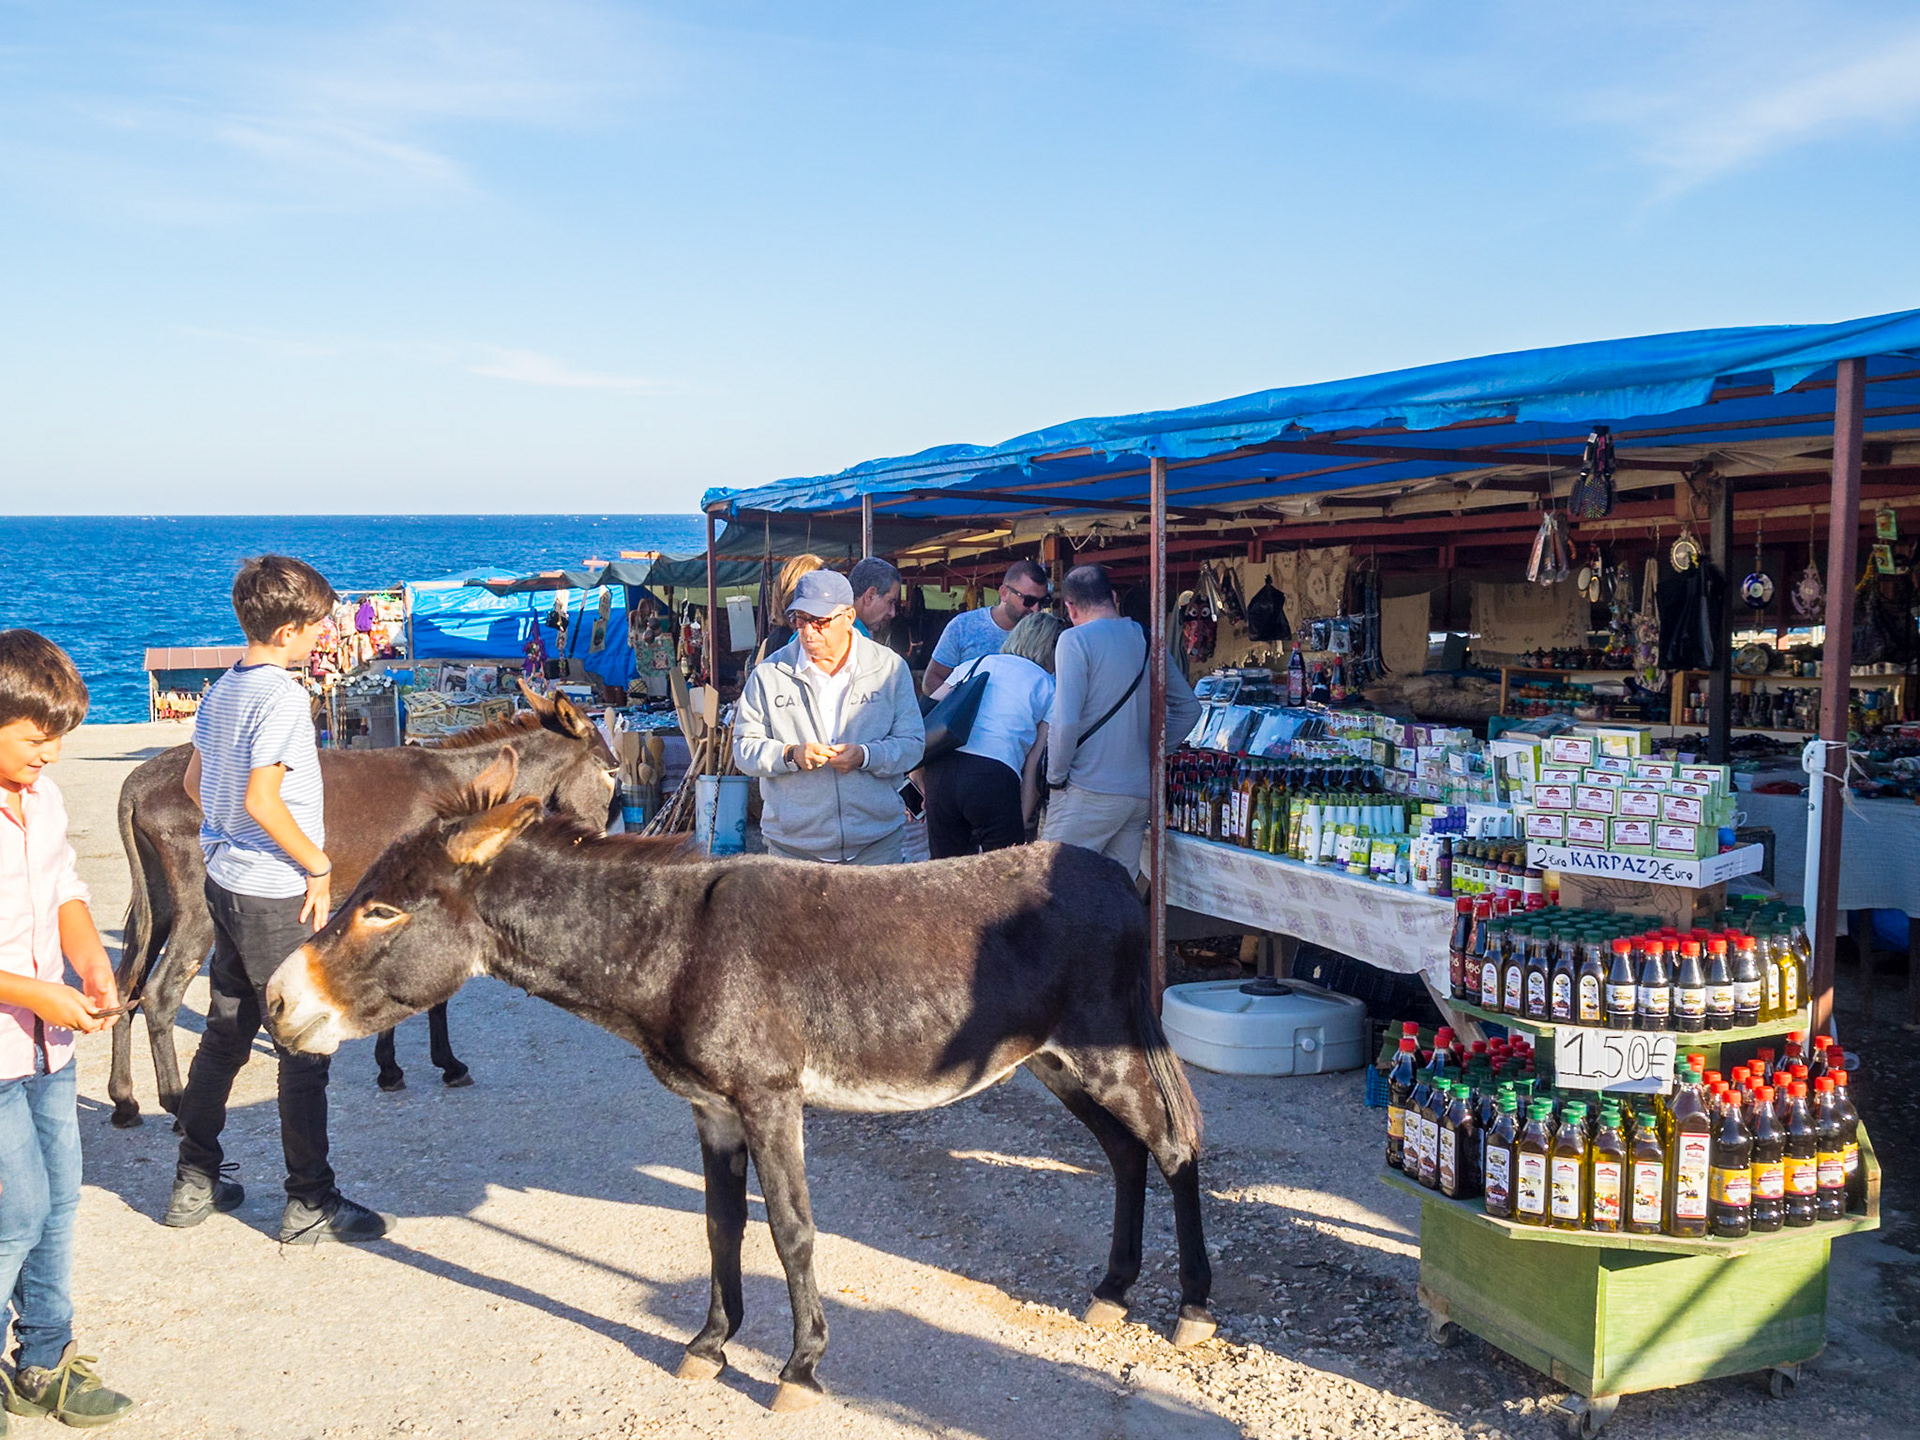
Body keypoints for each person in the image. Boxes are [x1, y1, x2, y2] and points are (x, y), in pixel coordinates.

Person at [166, 556, 394, 1245]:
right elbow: (263, 800)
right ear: (291, 630)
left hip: (227, 880)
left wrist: (222, 836)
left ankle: (195, 1177)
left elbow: (195, 785)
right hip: (273, 889)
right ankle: (310, 1200)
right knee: (303, 1042)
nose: (324, 635)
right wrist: (318, 865)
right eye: (319, 625)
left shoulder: (223, 689)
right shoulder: (285, 698)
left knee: (228, 1028)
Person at [0, 631, 136, 1427]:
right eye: (34, 739)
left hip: (48, 1051)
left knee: (56, 1204)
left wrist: (90, 967)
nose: (49, 754)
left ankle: (45, 1360)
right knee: (14, 1214)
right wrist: (35, 994)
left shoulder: (42, 799)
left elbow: (65, 892)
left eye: (58, 739)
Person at [733, 569, 925, 865]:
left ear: (848, 617)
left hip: (875, 847)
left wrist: (865, 756)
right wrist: (790, 755)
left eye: (820, 621)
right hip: (794, 850)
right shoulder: (769, 674)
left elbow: (912, 744)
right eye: (801, 620)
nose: (809, 631)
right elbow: (744, 749)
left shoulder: (889, 669)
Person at [1042, 563, 1200, 878]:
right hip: (1137, 793)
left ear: (1070, 607)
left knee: (1052, 887)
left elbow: (1065, 722)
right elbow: (1189, 709)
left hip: (1087, 788)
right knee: (1116, 893)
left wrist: (1055, 779)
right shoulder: (1148, 640)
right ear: (1113, 597)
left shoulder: (1074, 640)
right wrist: (1152, 752)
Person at [922, 611, 1062, 858]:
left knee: (942, 871)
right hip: (994, 777)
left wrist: (919, 778)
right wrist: (1019, 822)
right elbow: (1034, 764)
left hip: (942, 772)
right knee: (1004, 872)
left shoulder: (974, 664)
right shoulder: (1048, 686)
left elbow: (926, 719)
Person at [921, 559, 1049, 695]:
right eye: (1029, 600)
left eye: (1043, 602)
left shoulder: (1045, 635)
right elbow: (932, 680)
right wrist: (962, 704)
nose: (1036, 609)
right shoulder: (963, 626)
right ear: (1004, 593)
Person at [848, 557, 901, 640]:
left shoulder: (837, 629)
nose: (892, 613)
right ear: (870, 596)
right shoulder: (854, 640)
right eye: (890, 602)